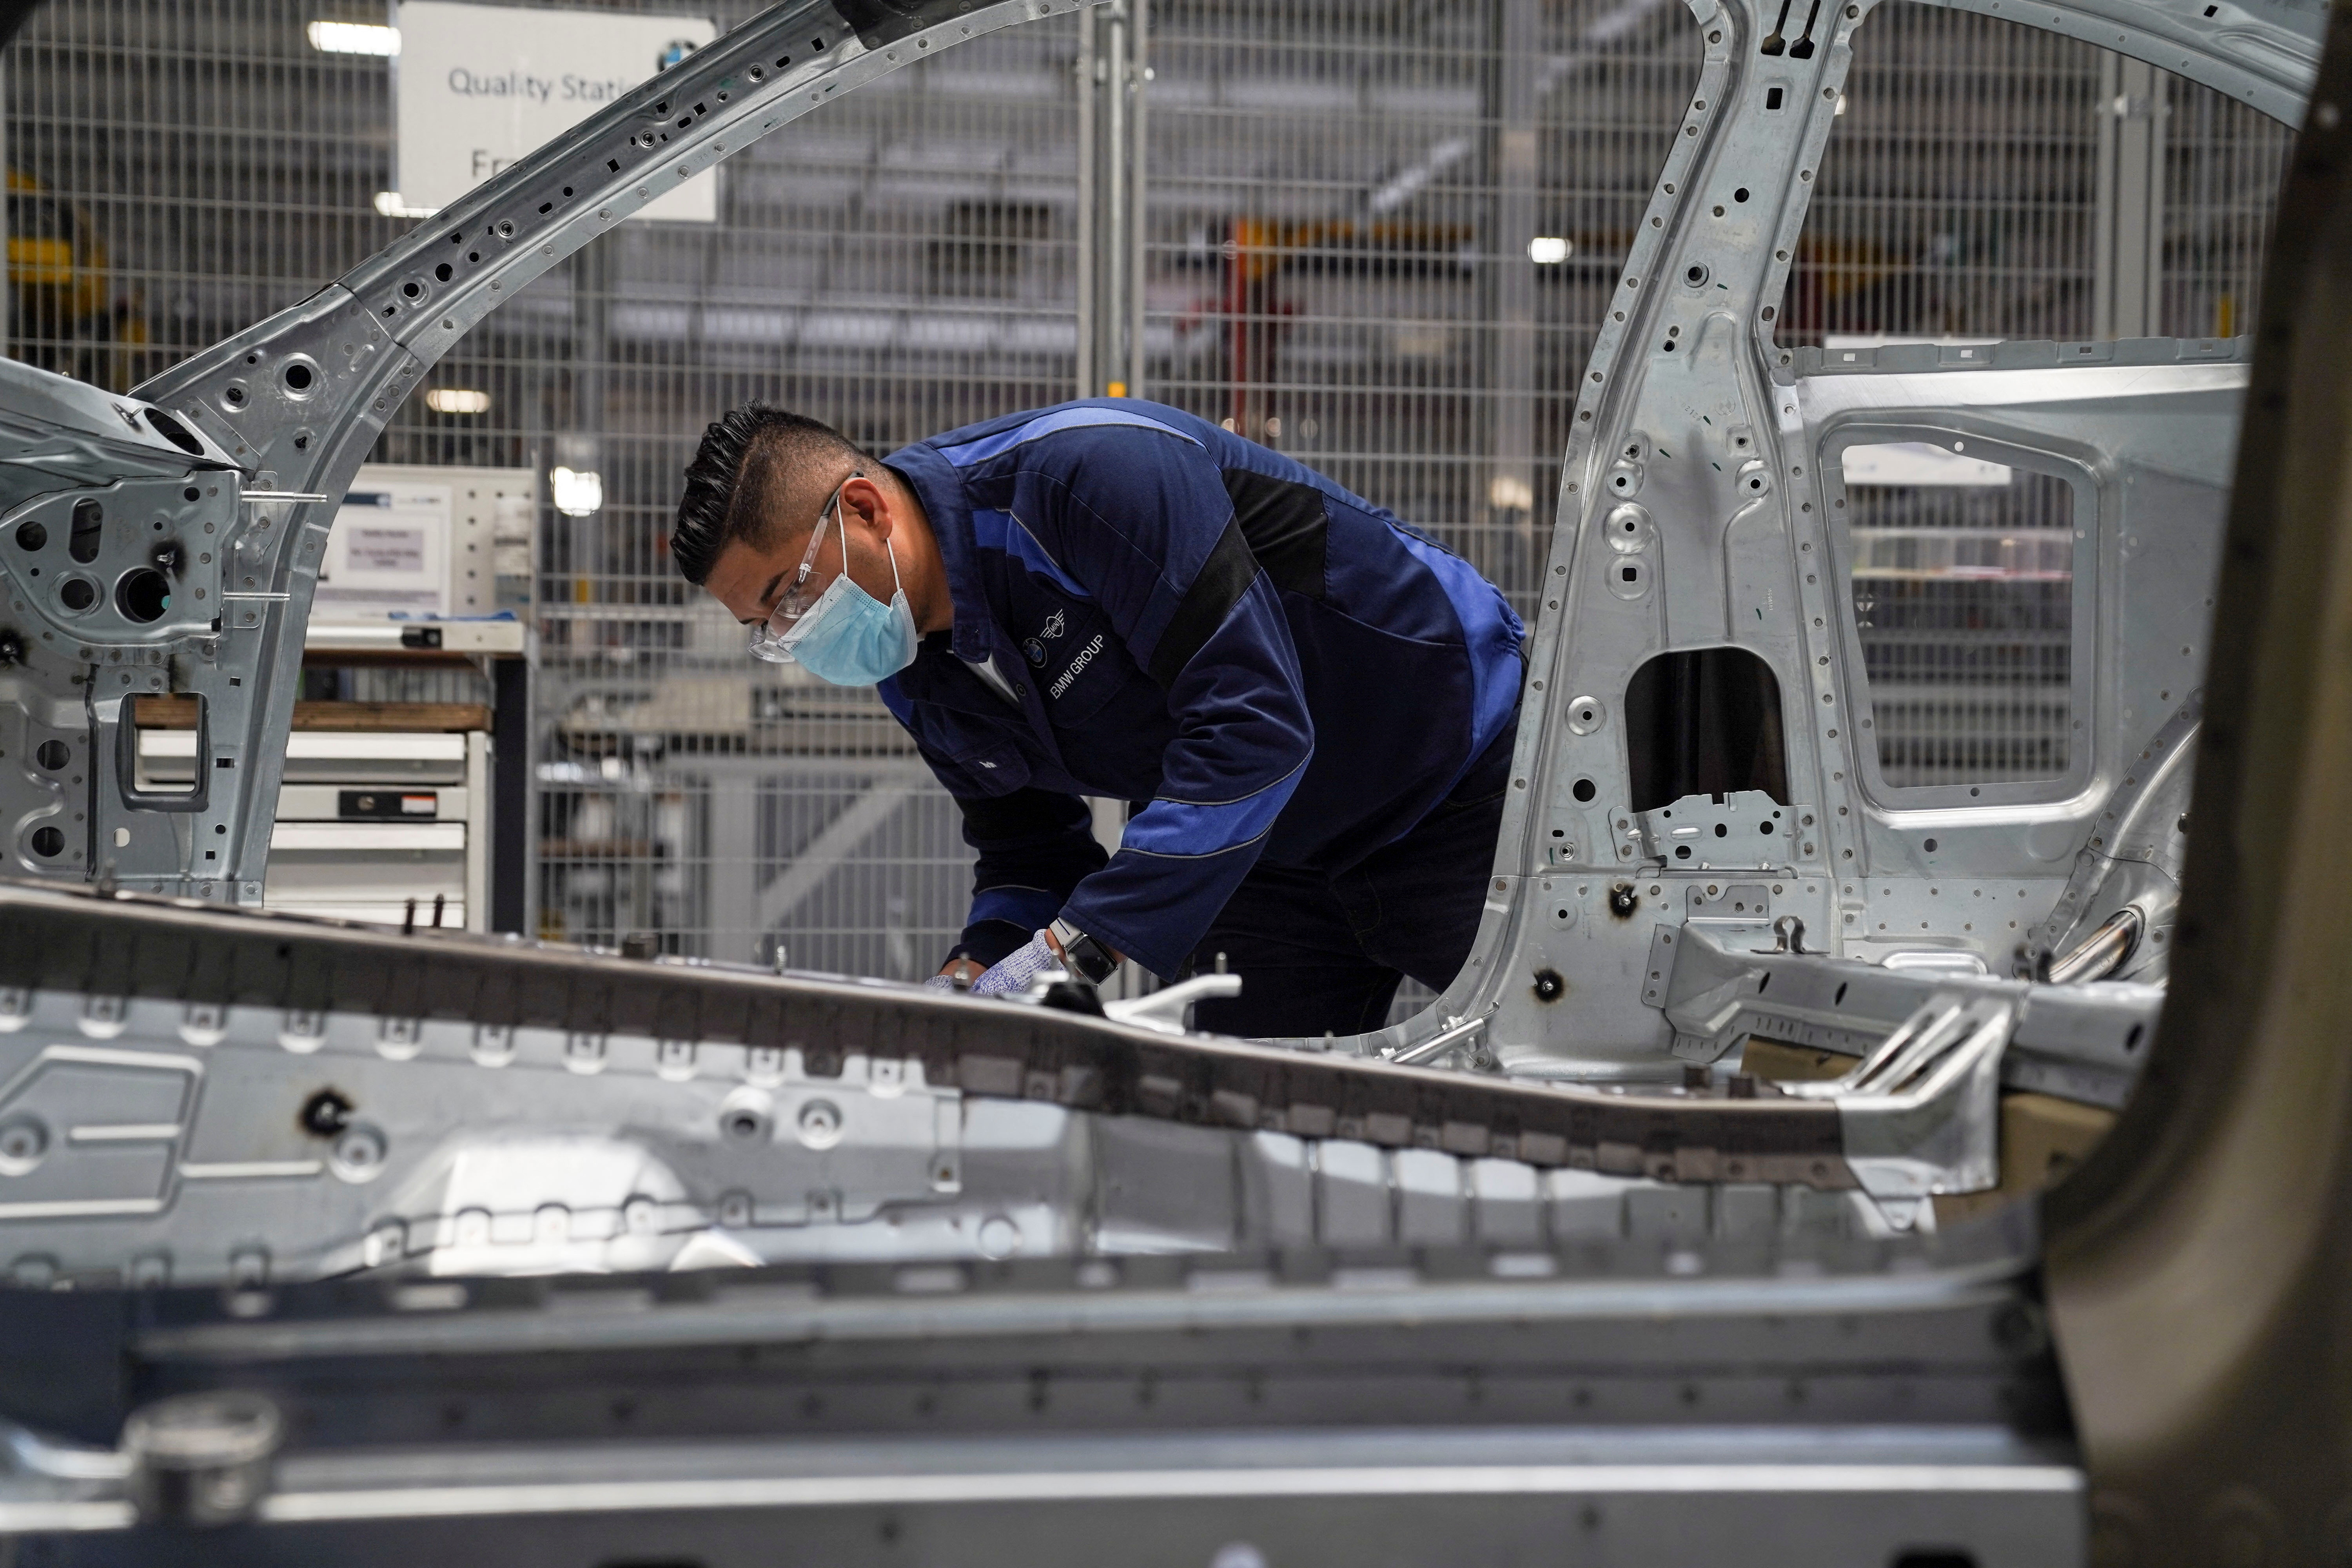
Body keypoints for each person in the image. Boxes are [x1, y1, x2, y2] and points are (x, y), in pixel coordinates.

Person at [670, 398, 1524, 1038]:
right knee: (1247, 1149)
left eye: (792, 595)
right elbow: (1029, 847)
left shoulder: (1085, 479)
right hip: (1262, 858)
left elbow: (1255, 726)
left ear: (864, 508)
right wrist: (980, 970)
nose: (793, 633)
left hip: (1457, 779)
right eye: (766, 628)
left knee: (1558, 1085)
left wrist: (1079, 944)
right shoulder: (911, 664)